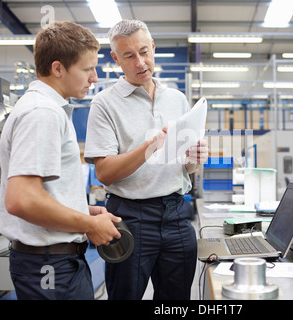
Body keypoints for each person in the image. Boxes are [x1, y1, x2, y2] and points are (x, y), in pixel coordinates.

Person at [84, 19, 208, 300]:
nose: (140, 62)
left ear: (152, 47)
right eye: (129, 55)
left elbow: (186, 168)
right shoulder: (104, 104)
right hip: (130, 217)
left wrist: (194, 159)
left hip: (177, 213)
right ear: (115, 58)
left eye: (144, 51)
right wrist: (148, 148)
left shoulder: (177, 99)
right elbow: (104, 173)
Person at [0, 21, 122, 300]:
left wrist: (82, 211)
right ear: (58, 68)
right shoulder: (42, 113)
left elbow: (40, 193)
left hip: (55, 263)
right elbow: (22, 200)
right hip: (50, 266)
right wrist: (89, 225)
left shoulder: (45, 109)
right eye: (87, 68)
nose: (94, 77)